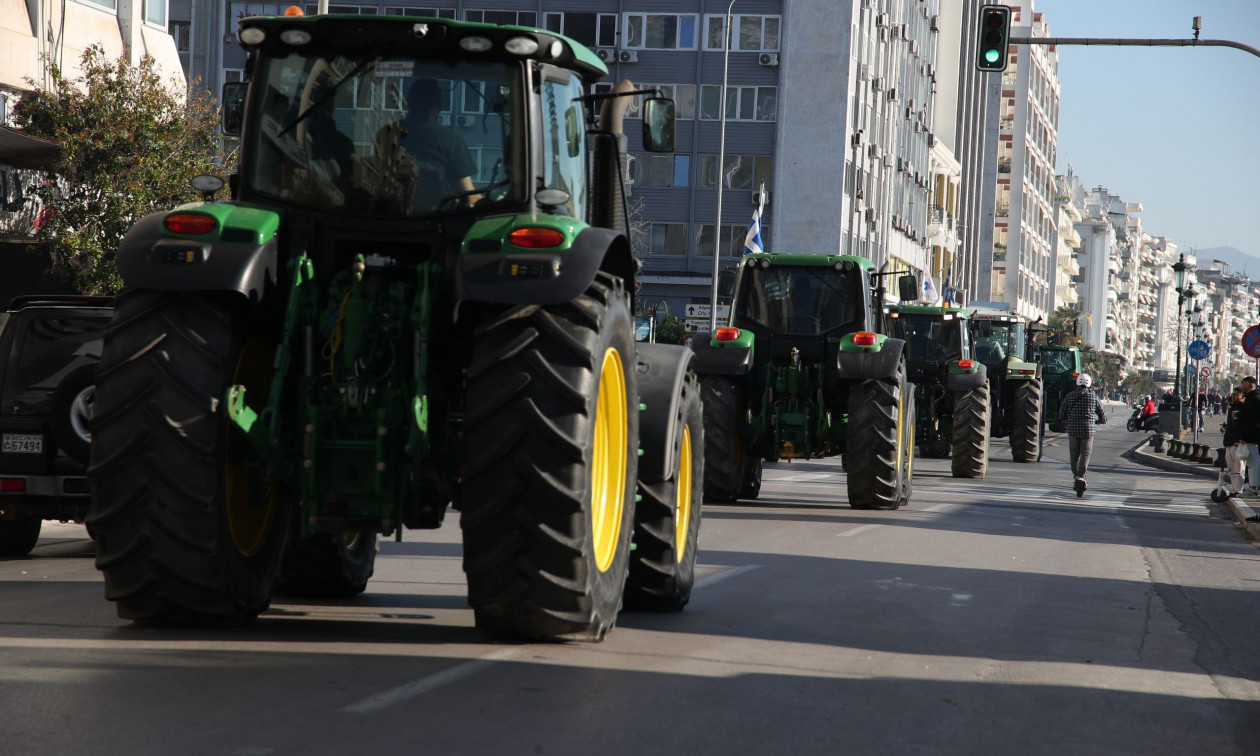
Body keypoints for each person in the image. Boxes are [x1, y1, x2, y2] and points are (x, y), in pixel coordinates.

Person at [376, 79, 480, 211]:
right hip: (435, 220)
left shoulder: (386, 133)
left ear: (409, 102)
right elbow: (468, 195)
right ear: (440, 105)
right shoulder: (450, 139)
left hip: (385, 217)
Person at [1059, 372, 1107, 497]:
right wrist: (1099, 421)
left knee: (1074, 455)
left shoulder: (1070, 396)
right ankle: (1081, 476)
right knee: (1085, 454)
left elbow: (1061, 413)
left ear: (1077, 383)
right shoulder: (1094, 397)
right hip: (1088, 430)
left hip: (1073, 429)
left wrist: (1066, 419)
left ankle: (1077, 476)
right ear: (1089, 384)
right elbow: (1103, 416)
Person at [1237, 376, 1260, 496]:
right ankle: (1253, 486)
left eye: (1243, 384)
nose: (1241, 386)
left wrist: (1244, 436)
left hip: (1253, 436)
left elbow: (1250, 421)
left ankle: (1253, 488)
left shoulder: (1254, 399)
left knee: (1253, 463)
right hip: (1252, 436)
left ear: (1250, 384)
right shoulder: (1251, 399)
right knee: (1252, 463)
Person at [1221, 386, 1246, 495]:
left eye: (1237, 395)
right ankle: (1233, 488)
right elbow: (1232, 424)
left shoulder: (1244, 408)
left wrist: (1239, 438)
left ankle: (1238, 490)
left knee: (1238, 467)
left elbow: (1242, 425)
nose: (1234, 397)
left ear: (1242, 396)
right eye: (1233, 395)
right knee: (1230, 466)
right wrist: (1225, 427)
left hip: (1237, 442)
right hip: (1229, 441)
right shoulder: (1231, 408)